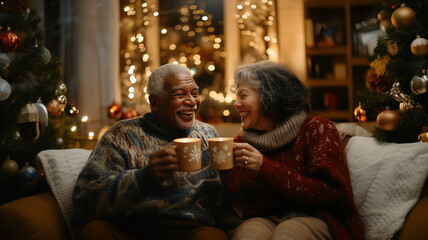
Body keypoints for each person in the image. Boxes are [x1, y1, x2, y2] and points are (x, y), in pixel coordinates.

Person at [71, 63, 227, 240]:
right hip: (131, 229)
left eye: (194, 93)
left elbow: (221, 200)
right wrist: (145, 178)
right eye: (180, 94)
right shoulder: (121, 135)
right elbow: (84, 201)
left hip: (190, 230)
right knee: (94, 233)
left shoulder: (208, 134)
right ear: (155, 102)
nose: (192, 102)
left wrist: (242, 171)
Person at [221, 60, 364, 240]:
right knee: (250, 235)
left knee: (287, 235)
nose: (236, 103)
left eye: (243, 95)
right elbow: (241, 205)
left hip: (316, 217)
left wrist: (263, 168)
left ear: (270, 97)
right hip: (261, 219)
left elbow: (329, 193)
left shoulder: (318, 129)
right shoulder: (240, 143)